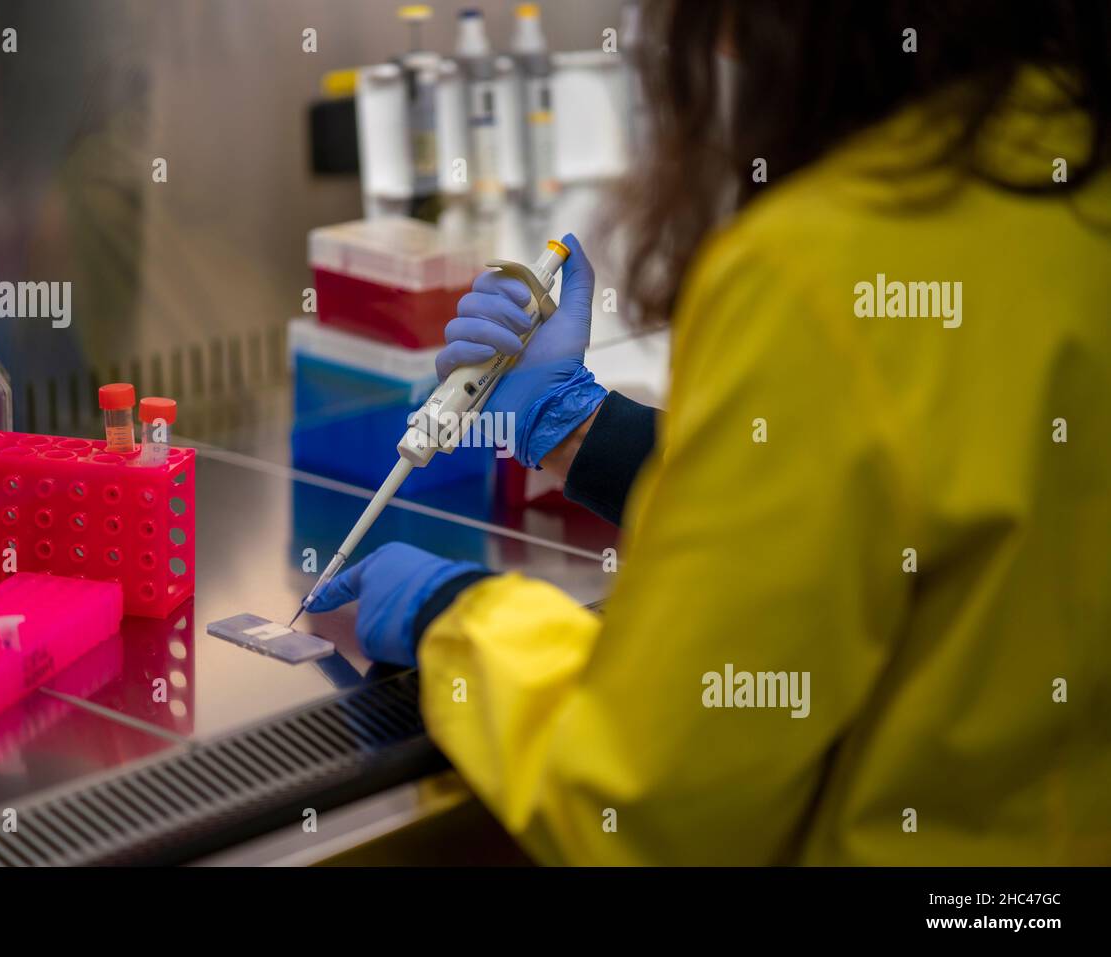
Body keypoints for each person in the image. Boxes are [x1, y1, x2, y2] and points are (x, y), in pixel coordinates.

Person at [307, 1, 1111, 864]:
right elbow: (910, 491)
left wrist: (456, 619)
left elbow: (652, 807)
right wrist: (577, 422)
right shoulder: (1068, 169)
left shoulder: (821, 267)